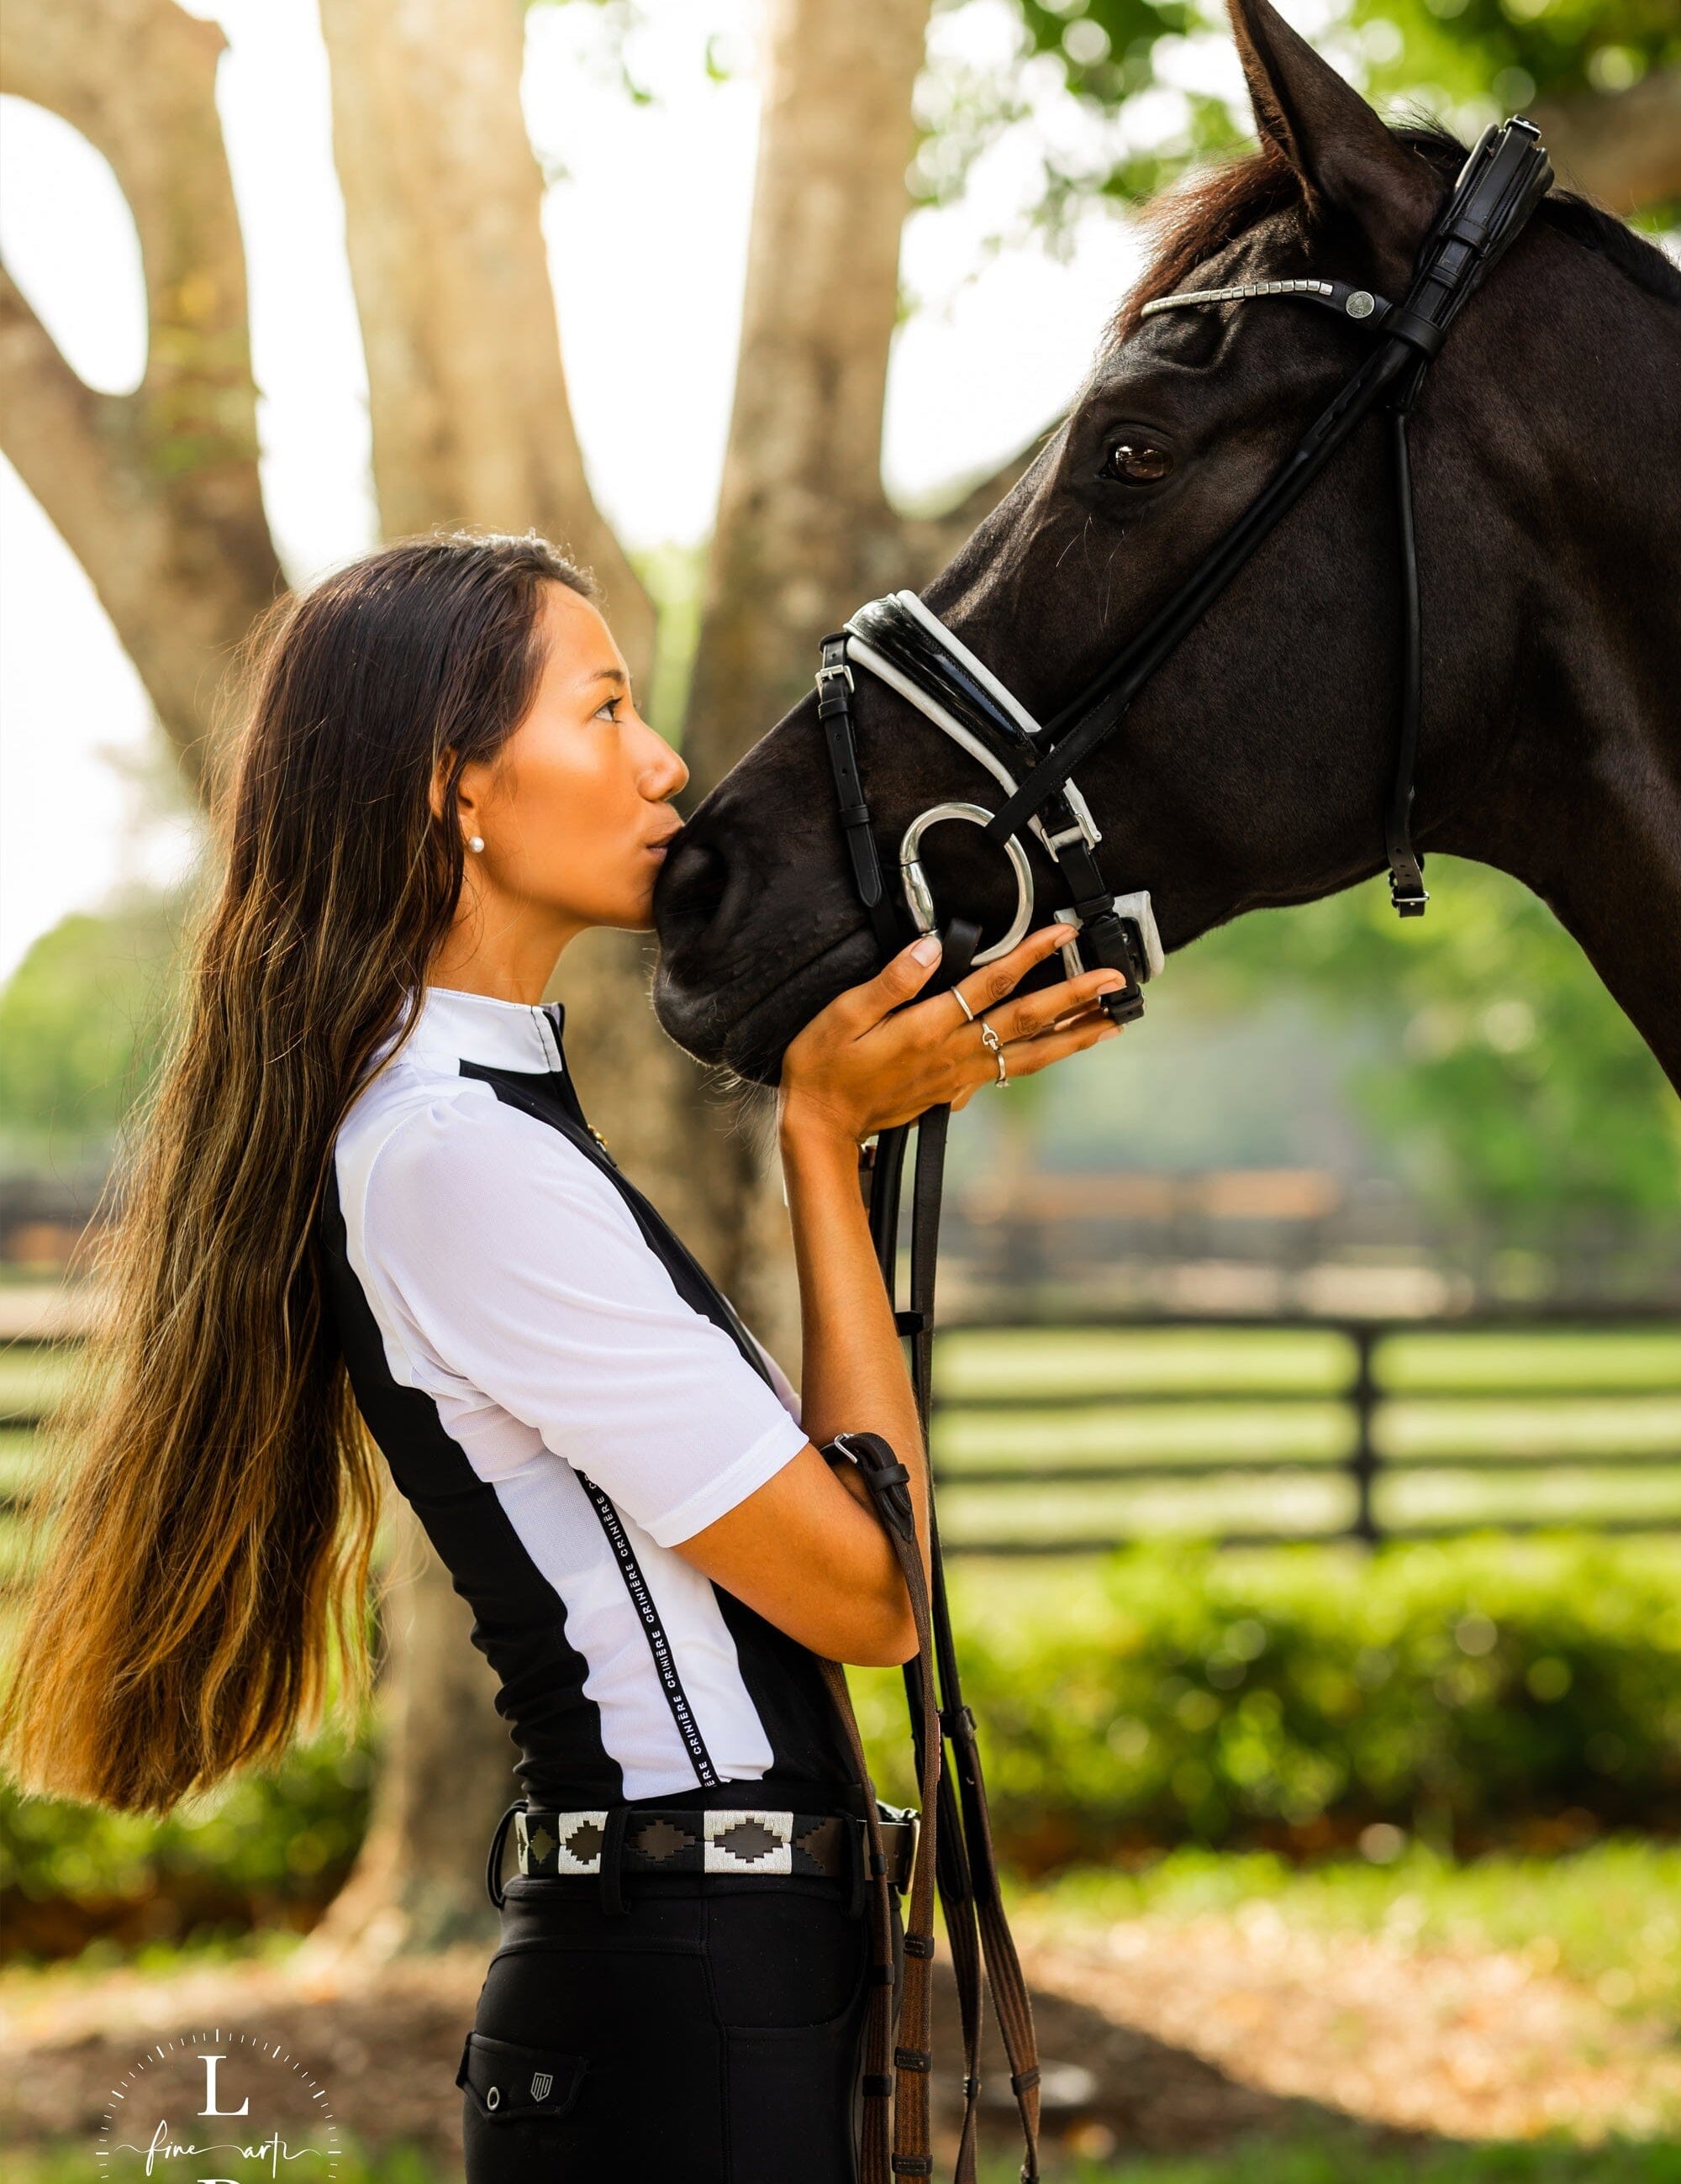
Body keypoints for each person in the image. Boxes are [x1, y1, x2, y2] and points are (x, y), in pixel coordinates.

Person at [3, 533, 1125, 2179]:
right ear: (458, 786)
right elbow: (870, 1593)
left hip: (701, 1965)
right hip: (681, 1984)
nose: (663, 761)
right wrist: (825, 1139)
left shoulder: (471, 1115)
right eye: (603, 710)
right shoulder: (456, 1152)